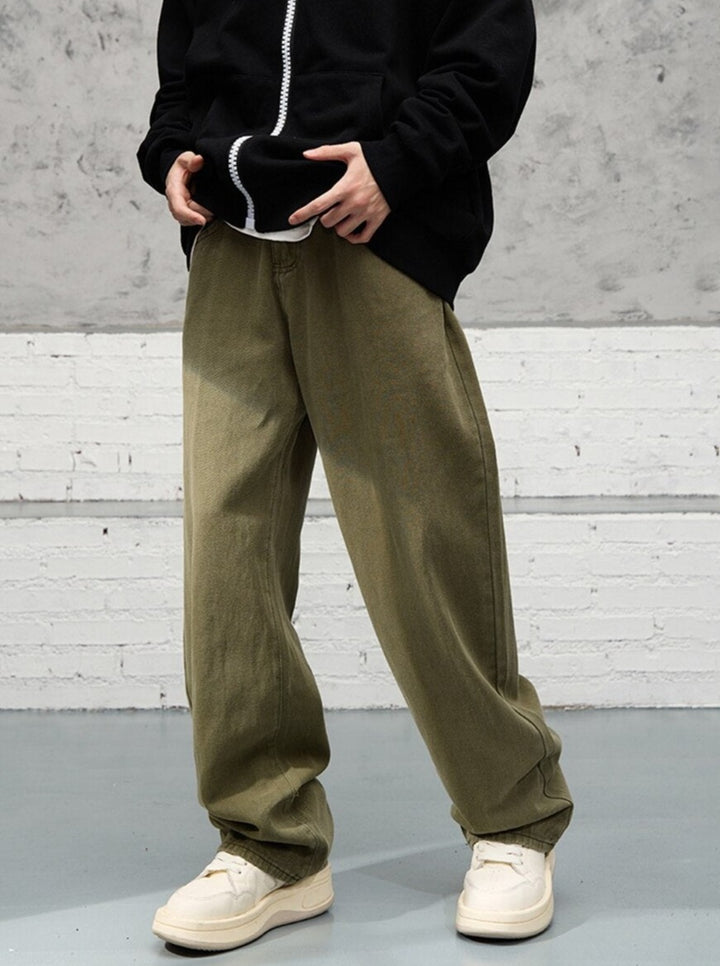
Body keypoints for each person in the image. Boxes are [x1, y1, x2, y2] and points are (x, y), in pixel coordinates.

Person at [137, 0, 573, 952]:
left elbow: (487, 56)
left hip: (376, 236)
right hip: (233, 246)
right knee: (227, 556)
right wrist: (171, 150)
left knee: (423, 540)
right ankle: (269, 842)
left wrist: (399, 161)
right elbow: (187, 60)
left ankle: (512, 822)